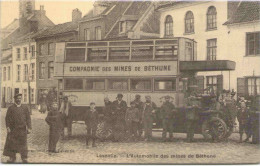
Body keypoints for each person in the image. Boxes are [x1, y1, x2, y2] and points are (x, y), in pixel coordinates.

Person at [3, 93, 32, 163]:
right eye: (17, 98)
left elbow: (28, 118)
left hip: (22, 129)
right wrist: (8, 127)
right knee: (11, 144)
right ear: (15, 99)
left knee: (23, 144)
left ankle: (24, 157)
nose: (18, 100)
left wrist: (29, 127)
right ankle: (12, 157)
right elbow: (7, 118)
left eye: (20, 98)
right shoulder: (11, 108)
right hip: (13, 130)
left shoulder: (25, 108)